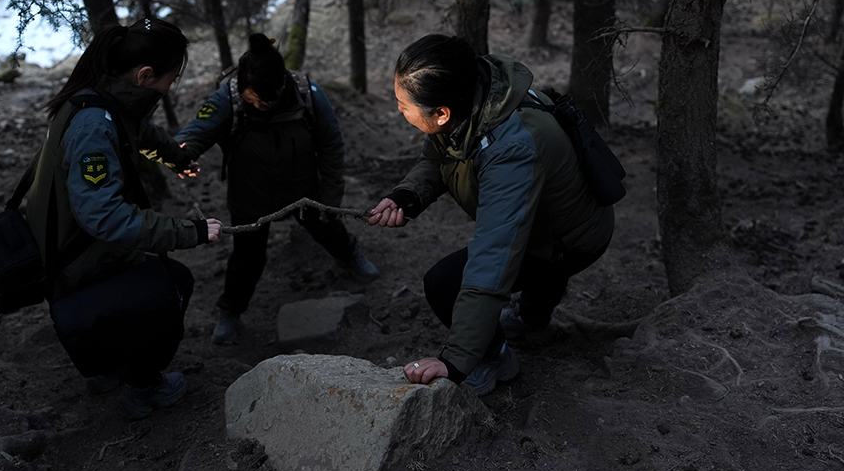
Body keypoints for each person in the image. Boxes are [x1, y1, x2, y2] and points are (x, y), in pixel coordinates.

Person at [369, 34, 614, 396]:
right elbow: (439, 157)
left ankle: (496, 357)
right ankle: (533, 322)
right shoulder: (474, 93)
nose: (400, 112)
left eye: (404, 106)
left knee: (443, 283)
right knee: (532, 254)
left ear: (440, 114)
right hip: (560, 223)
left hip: (570, 239)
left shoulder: (509, 148)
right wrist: (407, 196)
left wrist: (457, 360)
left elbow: (495, 256)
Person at [25, 18, 223, 420]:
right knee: (174, 282)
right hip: (73, 256)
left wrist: (177, 156)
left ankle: (105, 367)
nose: (172, 85)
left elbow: (139, 132)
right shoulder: (93, 125)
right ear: (145, 75)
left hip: (64, 241)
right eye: (172, 76)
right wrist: (188, 232)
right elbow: (107, 218)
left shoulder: (103, 97)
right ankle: (143, 385)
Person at [177, 33, 379, 344]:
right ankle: (230, 311)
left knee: (328, 227)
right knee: (247, 256)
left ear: (282, 87)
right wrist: (177, 155)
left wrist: (330, 197)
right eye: (250, 99)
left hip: (303, 189)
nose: (257, 104)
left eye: (263, 101)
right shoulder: (226, 99)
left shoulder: (308, 94)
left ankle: (350, 256)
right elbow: (195, 134)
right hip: (250, 195)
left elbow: (331, 147)